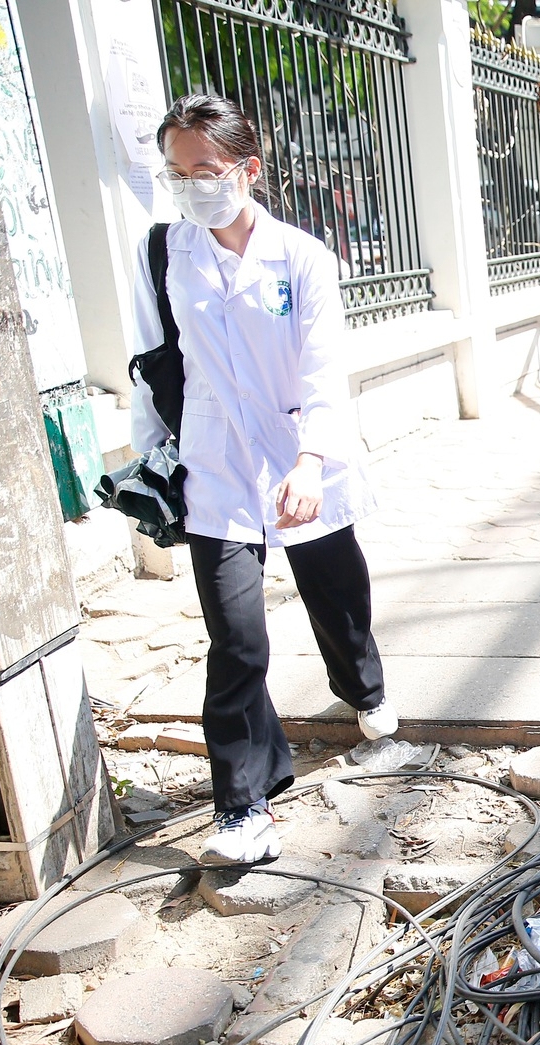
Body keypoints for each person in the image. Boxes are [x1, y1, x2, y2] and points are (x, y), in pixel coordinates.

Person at [129, 94, 396, 865]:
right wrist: (154, 462)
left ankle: (369, 698)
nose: (191, 187)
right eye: (176, 173)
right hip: (215, 464)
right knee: (237, 639)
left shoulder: (304, 257)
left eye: (206, 171)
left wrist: (311, 459)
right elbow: (154, 362)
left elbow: (323, 370)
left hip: (298, 450)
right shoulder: (163, 253)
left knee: (336, 598)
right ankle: (244, 800)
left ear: (249, 169)